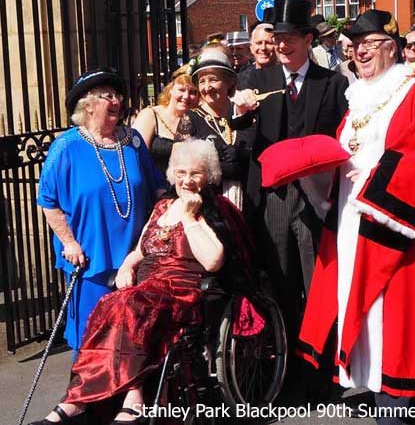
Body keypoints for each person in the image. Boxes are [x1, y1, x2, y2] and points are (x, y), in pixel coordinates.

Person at [297, 9, 415, 425]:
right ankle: (374, 388)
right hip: (351, 219)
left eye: (369, 45)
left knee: (391, 316)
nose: (359, 52)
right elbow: (347, 147)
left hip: (392, 223)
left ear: (391, 48)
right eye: (354, 46)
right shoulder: (359, 95)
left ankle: (395, 402)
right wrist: (320, 170)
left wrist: (371, 184)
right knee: (357, 305)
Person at [29, 139, 253, 425]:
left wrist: (189, 216)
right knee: (108, 304)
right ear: (172, 174)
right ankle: (79, 400)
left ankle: (129, 398)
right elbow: (140, 249)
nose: (187, 180)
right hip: (148, 287)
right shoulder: (162, 207)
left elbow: (213, 261)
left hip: (182, 291)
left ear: (208, 175)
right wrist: (126, 265)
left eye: (195, 173)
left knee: (130, 306)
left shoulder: (213, 210)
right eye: (181, 172)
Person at [232, 0, 348, 352]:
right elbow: (244, 142)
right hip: (275, 196)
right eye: (277, 38)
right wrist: (242, 115)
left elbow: (342, 135)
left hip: (316, 196)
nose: (281, 45)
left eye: (290, 38)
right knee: (280, 280)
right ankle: (285, 362)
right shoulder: (255, 79)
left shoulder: (331, 83)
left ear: (308, 40)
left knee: (317, 283)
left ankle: (321, 362)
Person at [37, 68, 164, 353]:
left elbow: (157, 187)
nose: (117, 100)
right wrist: (69, 242)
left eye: (117, 95)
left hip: (136, 256)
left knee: (134, 336)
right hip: (91, 259)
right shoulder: (67, 146)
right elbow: (48, 201)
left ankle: (129, 393)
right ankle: (89, 395)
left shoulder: (132, 141)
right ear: (88, 104)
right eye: (108, 96)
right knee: (93, 337)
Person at [177, 50, 254, 211]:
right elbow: (181, 165)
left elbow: (262, 151)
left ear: (229, 82)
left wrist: (245, 154)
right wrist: (218, 167)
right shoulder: (190, 118)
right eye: (202, 81)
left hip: (252, 202)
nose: (207, 87)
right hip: (208, 207)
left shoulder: (245, 111)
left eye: (213, 80)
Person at [133, 71, 199, 174]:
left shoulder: (196, 120)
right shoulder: (150, 115)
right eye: (181, 90)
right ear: (170, 90)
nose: (186, 96)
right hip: (154, 186)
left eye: (192, 92)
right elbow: (136, 157)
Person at [237, 21, 277, 89]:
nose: (263, 48)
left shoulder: (287, 76)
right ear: (251, 47)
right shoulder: (238, 81)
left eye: (268, 43)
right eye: (259, 43)